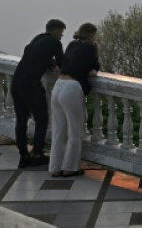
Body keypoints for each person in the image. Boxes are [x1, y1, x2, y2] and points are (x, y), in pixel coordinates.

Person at [49, 22, 100, 177]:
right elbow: (93, 69)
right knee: (74, 131)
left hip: (58, 85)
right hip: (72, 87)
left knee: (58, 131)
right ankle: (70, 167)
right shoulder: (91, 48)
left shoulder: (72, 44)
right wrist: (97, 52)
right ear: (92, 35)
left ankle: (55, 167)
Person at [12, 18, 65, 168]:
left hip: (17, 82)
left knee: (21, 120)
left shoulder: (37, 39)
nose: (61, 36)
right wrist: (54, 64)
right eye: (61, 33)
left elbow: (30, 53)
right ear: (55, 31)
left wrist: (48, 63)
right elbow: (63, 63)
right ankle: (37, 154)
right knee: (42, 118)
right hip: (31, 84)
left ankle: (23, 155)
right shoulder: (55, 43)